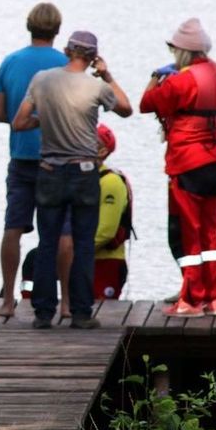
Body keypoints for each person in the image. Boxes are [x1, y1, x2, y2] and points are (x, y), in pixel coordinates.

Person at [12, 31, 132, 329]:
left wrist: (45, 118)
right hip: (85, 173)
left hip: (50, 172)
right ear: (92, 58)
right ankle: (80, 312)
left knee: (48, 241)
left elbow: (19, 122)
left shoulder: (42, 80)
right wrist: (107, 75)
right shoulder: (95, 86)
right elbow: (126, 108)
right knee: (82, 243)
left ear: (67, 51)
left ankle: (42, 313)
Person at [140, 18, 216, 317]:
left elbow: (146, 103)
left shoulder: (180, 80)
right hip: (215, 158)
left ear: (182, 51)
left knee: (190, 231)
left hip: (187, 161)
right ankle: (213, 298)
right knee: (210, 232)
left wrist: (156, 77)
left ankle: (191, 300)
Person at [0, 3, 74, 318]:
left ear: (29, 26)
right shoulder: (67, 65)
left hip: (22, 157)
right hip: (59, 159)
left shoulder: (10, 62)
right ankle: (65, 302)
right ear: (57, 29)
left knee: (13, 227)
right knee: (62, 232)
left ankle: (8, 301)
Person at [93, 123, 132, 300]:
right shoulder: (83, 178)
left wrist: (73, 251)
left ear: (102, 152)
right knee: (34, 260)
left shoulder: (111, 182)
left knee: (101, 312)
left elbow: (106, 232)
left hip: (106, 262)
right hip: (84, 259)